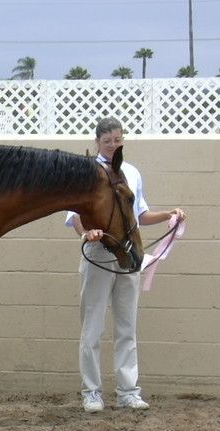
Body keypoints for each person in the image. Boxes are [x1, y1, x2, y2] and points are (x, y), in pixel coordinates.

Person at [66, 117, 186, 413]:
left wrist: (169, 214)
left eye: (117, 140)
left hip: (128, 252)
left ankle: (128, 391)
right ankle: (92, 392)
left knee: (127, 325)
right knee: (92, 327)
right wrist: (86, 233)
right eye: (107, 141)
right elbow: (75, 217)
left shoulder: (131, 172)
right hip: (98, 252)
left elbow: (139, 214)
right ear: (98, 142)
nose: (113, 145)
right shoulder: (87, 172)